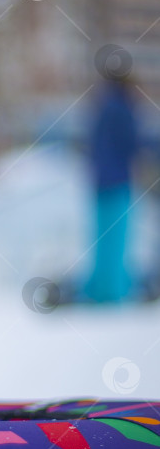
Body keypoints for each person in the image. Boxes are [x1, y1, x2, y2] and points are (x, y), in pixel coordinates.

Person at [83, 77, 138, 303]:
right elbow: (132, 143)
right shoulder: (122, 109)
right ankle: (114, 291)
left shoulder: (102, 106)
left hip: (100, 183)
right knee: (117, 240)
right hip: (118, 183)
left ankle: (100, 289)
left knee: (101, 239)